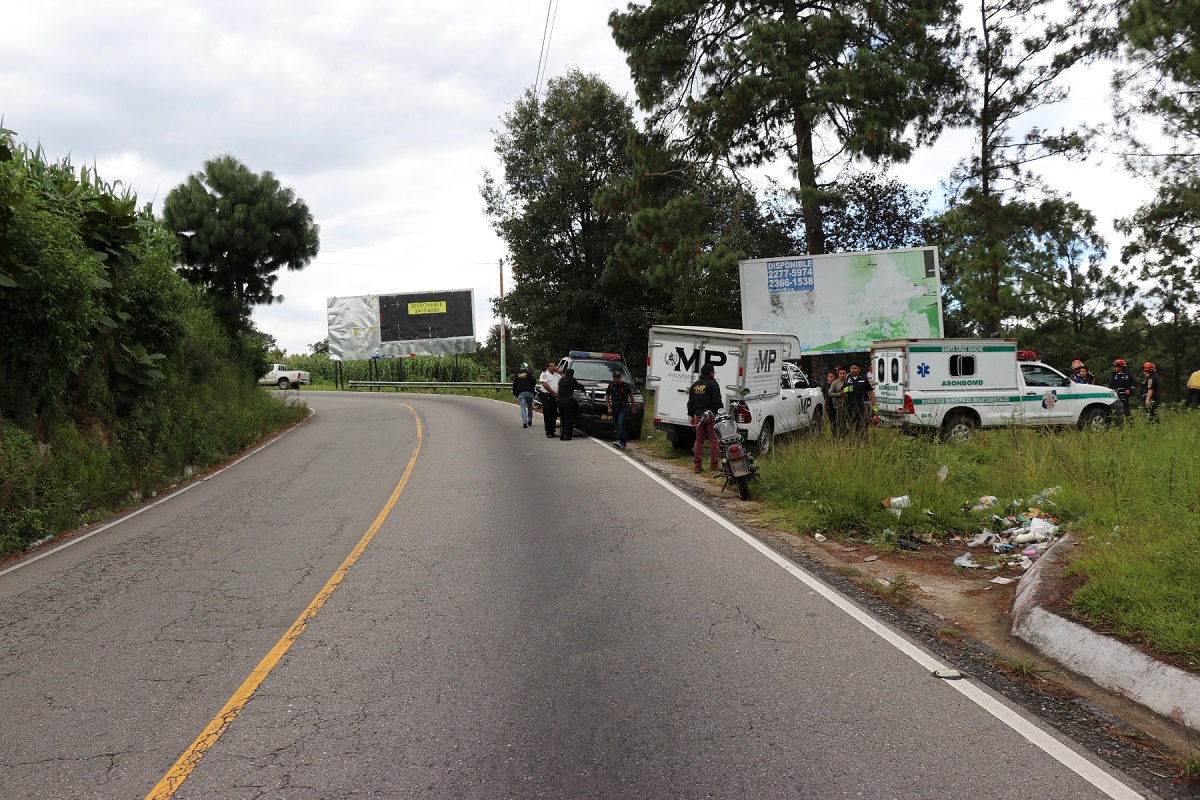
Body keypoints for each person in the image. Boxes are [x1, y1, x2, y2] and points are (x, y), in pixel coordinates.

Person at [686, 363, 723, 473]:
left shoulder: (695, 385)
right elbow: (717, 400)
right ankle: (714, 466)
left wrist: (691, 415)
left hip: (699, 417)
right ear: (711, 373)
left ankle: (697, 466)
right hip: (711, 416)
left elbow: (690, 402)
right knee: (713, 440)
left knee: (699, 441)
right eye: (713, 372)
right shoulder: (713, 384)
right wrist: (720, 412)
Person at [841, 362, 876, 435]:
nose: (853, 370)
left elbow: (871, 392)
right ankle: (856, 439)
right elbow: (842, 392)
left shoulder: (864, 378)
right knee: (853, 423)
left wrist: (874, 406)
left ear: (859, 369)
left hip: (863, 405)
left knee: (863, 423)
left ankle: (863, 440)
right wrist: (845, 390)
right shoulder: (848, 378)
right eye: (851, 368)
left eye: (855, 368)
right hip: (851, 404)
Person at [605, 370, 637, 450]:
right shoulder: (611, 386)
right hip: (615, 407)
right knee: (617, 425)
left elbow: (631, 397)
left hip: (624, 407)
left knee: (621, 423)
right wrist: (609, 407)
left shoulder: (626, 386)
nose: (615, 379)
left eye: (617, 378)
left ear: (620, 377)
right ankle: (623, 441)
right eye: (614, 378)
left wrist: (633, 407)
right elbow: (607, 397)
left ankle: (620, 440)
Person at [556, 367, 582, 440]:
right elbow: (578, 387)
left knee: (562, 417)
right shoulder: (572, 380)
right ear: (572, 374)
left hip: (560, 400)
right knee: (568, 418)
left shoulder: (562, 380)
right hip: (567, 400)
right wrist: (582, 386)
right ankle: (566, 435)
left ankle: (562, 433)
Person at [538, 362, 560, 439]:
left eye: (554, 365)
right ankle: (548, 432)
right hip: (546, 395)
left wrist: (560, 372)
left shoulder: (557, 375)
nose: (553, 367)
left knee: (554, 414)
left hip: (554, 396)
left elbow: (565, 379)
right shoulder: (544, 374)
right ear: (547, 367)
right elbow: (545, 384)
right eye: (551, 366)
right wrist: (553, 392)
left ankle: (552, 431)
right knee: (548, 413)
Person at [511, 362, 537, 428]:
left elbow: (514, 384)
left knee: (523, 407)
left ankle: (524, 422)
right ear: (526, 367)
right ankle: (530, 420)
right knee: (530, 406)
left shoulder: (517, 374)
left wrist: (515, 393)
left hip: (520, 393)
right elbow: (534, 382)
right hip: (529, 392)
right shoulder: (530, 373)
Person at [828, 366, 847, 434]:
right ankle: (840, 436)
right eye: (840, 373)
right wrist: (838, 394)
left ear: (847, 374)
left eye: (843, 373)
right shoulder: (835, 383)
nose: (842, 375)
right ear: (838, 374)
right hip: (839, 405)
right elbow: (829, 393)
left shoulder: (850, 381)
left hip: (849, 405)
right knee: (840, 422)